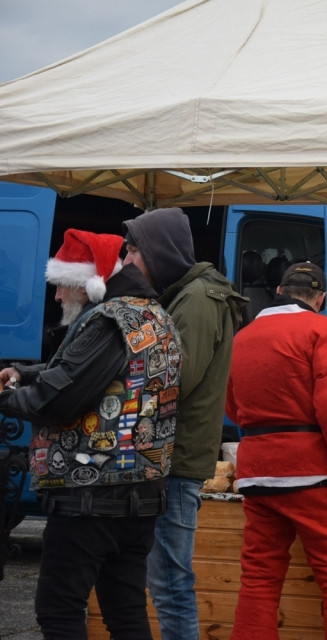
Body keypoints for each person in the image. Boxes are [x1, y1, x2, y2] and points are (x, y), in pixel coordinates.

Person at [0, 229, 182, 639]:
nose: (57, 298)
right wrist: (25, 373)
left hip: (91, 494)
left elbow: (57, 400)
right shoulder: (153, 313)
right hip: (141, 490)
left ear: (85, 283)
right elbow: (98, 373)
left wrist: (7, 397)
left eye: (62, 286)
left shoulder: (108, 320)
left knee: (59, 609)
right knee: (126, 612)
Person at [224, 262, 327, 640]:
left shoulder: (243, 336)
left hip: (256, 469)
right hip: (312, 473)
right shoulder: (322, 329)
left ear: (278, 291)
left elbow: (231, 405)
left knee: (259, 576)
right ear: (320, 299)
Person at [121, 207, 246, 640]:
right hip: (169, 457)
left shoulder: (196, 299)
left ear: (157, 250)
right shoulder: (188, 294)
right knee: (165, 581)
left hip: (175, 460)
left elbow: (174, 378)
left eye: (134, 249)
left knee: (171, 584)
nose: (127, 259)